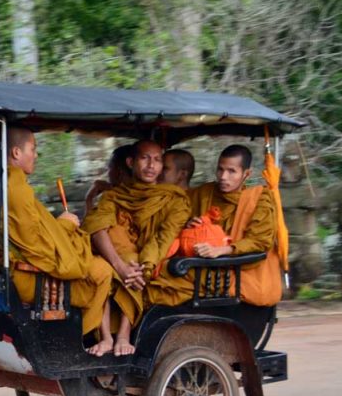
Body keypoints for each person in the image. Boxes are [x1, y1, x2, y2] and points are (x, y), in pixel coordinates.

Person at [3, 128, 114, 351]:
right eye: (33, 149)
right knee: (103, 272)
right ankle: (83, 339)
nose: (35, 155)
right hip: (27, 277)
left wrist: (59, 225)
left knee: (100, 268)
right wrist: (64, 225)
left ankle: (99, 338)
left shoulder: (6, 183)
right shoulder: (15, 190)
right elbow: (37, 247)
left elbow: (31, 232)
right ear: (16, 152)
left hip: (18, 267)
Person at [83, 141, 189, 355]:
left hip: (147, 260)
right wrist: (118, 265)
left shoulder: (174, 200)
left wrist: (146, 266)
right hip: (117, 259)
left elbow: (162, 237)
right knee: (96, 265)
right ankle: (104, 337)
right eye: (145, 158)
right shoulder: (114, 196)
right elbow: (96, 226)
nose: (151, 165)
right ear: (131, 162)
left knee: (134, 262)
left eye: (157, 160)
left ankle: (123, 335)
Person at [183, 144, 281, 305]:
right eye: (220, 169)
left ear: (246, 174)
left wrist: (221, 250)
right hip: (199, 266)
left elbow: (260, 241)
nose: (223, 177)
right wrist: (188, 226)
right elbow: (178, 217)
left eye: (231, 171)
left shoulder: (258, 200)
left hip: (234, 272)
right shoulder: (204, 193)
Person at [83, 143, 134, 212]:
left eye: (109, 167)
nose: (108, 173)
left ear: (119, 171)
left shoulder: (113, 200)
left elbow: (92, 222)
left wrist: (89, 199)